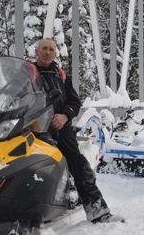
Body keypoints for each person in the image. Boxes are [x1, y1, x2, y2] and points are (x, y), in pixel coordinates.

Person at [33, 38, 123, 224]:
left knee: (78, 162)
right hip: (32, 125)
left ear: (55, 53)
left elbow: (74, 101)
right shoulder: (26, 73)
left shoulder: (61, 76)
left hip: (59, 127)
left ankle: (98, 211)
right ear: (37, 51)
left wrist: (64, 116)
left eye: (51, 49)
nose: (47, 52)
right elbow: (12, 95)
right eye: (44, 49)